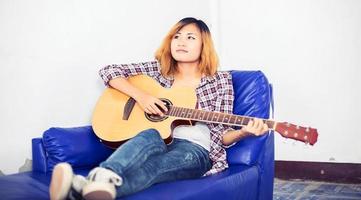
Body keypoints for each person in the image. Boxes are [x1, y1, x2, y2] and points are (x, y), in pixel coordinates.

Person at [49, 17, 269, 200]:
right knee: (150, 132)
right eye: (177, 36)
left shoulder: (220, 81)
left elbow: (222, 136)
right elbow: (109, 71)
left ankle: (83, 187)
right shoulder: (158, 71)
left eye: (190, 37)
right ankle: (102, 177)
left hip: (195, 150)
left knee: (154, 168)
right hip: (157, 139)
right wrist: (142, 97)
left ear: (204, 45)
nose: (181, 42)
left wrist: (243, 132)